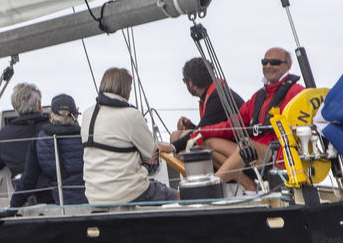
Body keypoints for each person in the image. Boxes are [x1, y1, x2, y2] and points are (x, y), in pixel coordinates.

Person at [193, 47, 306, 189]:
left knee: (246, 145)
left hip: (279, 154)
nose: (268, 66)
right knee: (208, 144)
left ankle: (208, 188)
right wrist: (200, 133)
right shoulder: (258, 97)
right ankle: (250, 187)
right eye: (265, 62)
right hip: (255, 151)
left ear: (288, 66)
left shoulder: (297, 93)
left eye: (275, 62)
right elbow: (232, 125)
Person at [80, 68, 177, 206]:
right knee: (178, 196)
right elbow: (152, 154)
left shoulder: (87, 115)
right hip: (129, 193)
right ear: (126, 91)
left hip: (94, 197)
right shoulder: (132, 115)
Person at [16, 93, 86, 207]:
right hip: (92, 201)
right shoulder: (86, 137)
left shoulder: (39, 141)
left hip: (63, 204)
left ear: (51, 114)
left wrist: (12, 207)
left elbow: (28, 180)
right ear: (76, 114)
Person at [170, 57, 244, 154]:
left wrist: (171, 147)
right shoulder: (218, 93)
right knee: (178, 135)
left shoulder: (217, 98)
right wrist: (191, 126)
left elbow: (200, 133)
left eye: (185, 81)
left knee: (183, 139)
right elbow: (207, 128)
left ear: (190, 83)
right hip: (235, 144)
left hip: (242, 150)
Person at [0, 82, 48, 178]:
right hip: (54, 185)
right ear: (39, 105)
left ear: (15, 107)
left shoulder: (5, 134)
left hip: (24, 186)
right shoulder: (53, 127)